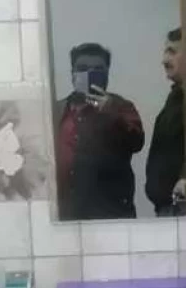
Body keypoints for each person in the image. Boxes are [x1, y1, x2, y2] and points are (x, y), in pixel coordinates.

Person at [54, 43, 144, 220]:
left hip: (111, 213)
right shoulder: (57, 110)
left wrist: (110, 112)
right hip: (66, 214)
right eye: (82, 69)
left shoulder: (121, 106)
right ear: (72, 74)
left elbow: (136, 142)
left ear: (107, 73)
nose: (89, 74)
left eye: (98, 70)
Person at [145, 27, 186, 215]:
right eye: (165, 52)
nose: (164, 60)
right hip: (169, 207)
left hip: (183, 207)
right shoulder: (177, 96)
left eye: (172, 52)